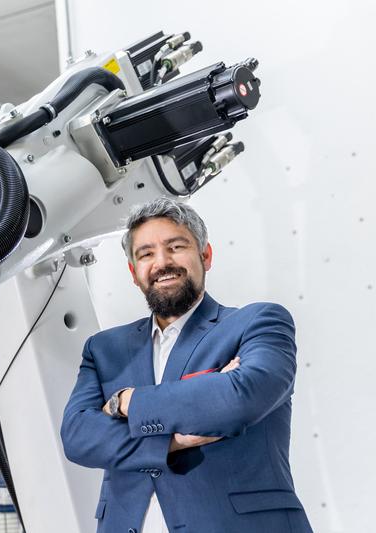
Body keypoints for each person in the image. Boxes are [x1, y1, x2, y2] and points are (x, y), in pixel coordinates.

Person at [60, 198, 312, 533]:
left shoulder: (258, 322)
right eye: (146, 254)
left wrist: (126, 402)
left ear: (205, 256)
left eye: (176, 246)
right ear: (134, 273)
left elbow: (239, 399)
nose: (162, 262)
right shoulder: (105, 348)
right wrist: (171, 440)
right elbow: (78, 436)